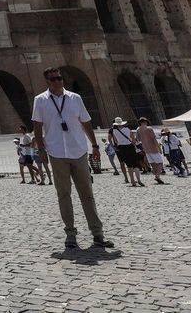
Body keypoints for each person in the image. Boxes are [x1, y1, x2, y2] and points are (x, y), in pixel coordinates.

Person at [33, 66, 113, 249]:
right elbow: (37, 126)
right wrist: (41, 149)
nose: (58, 81)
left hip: (78, 150)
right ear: (47, 82)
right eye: (53, 79)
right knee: (64, 195)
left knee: (87, 194)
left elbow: (86, 122)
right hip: (56, 152)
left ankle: (97, 234)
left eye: (60, 78)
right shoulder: (40, 100)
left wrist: (94, 145)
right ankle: (70, 233)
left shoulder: (75, 98)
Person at [108, 118, 143, 187]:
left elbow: (114, 140)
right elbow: (133, 140)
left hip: (121, 148)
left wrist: (114, 147)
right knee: (135, 165)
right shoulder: (128, 129)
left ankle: (132, 181)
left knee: (129, 165)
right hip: (130, 147)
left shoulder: (114, 131)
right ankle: (138, 180)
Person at [136, 118, 166, 184]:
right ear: (146, 122)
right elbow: (154, 139)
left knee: (153, 163)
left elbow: (138, 139)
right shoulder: (149, 128)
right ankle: (157, 176)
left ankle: (156, 176)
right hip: (153, 148)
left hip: (146, 149)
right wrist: (159, 148)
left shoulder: (138, 129)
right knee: (160, 163)